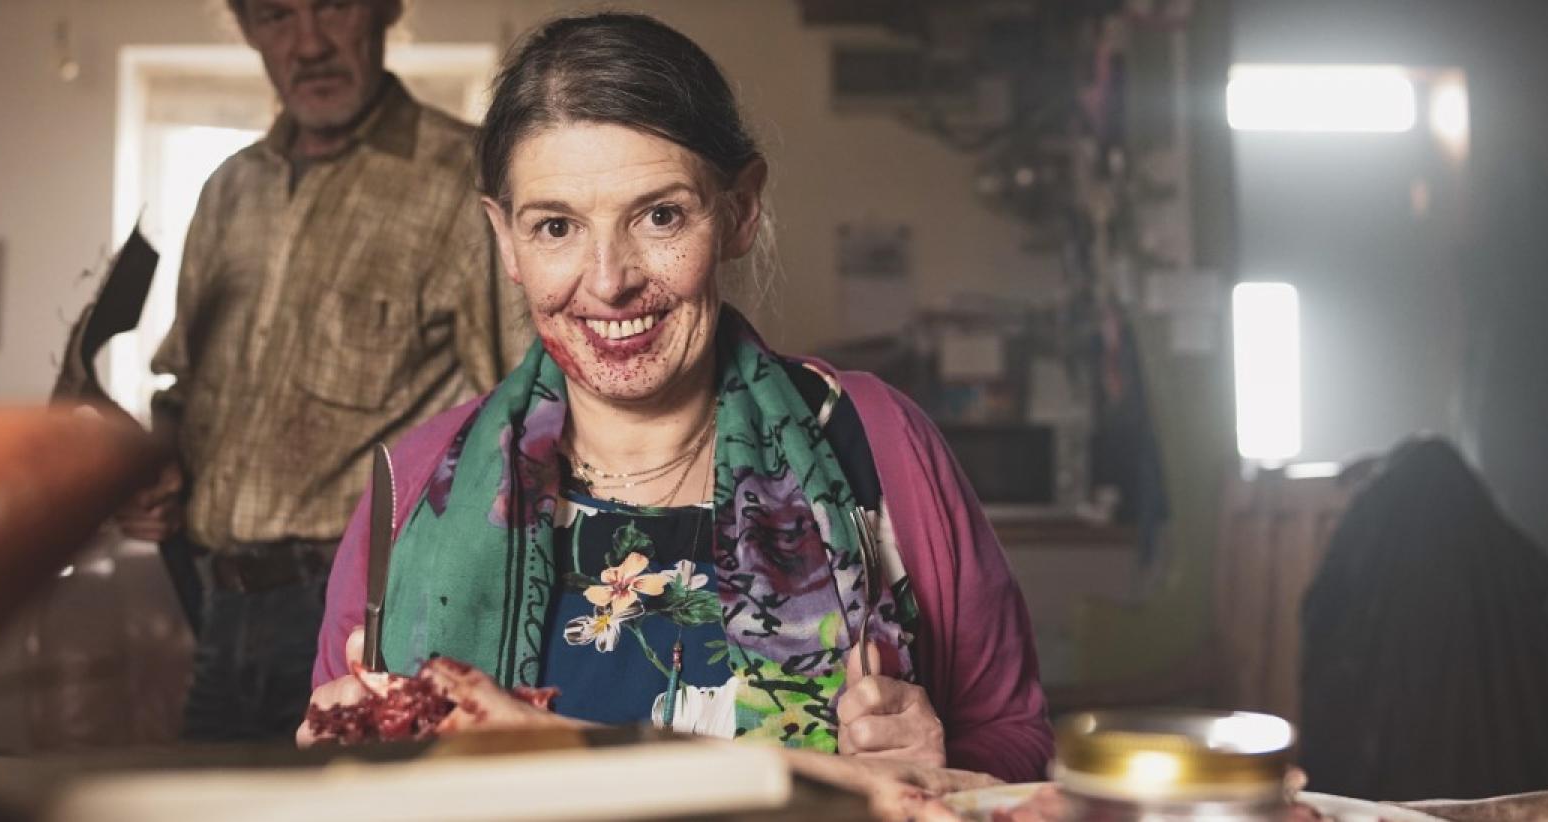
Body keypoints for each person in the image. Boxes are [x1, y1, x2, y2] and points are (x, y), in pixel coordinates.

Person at [301, 11, 1052, 788]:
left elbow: (1015, 736)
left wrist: (937, 763)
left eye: (659, 216)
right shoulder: (413, 488)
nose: (608, 280)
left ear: (738, 211)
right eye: (555, 226)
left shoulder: (876, 443)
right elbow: (351, 773)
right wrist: (345, 764)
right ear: (505, 240)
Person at [114, 0, 524, 741]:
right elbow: (182, 390)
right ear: (243, 28)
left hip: (368, 619)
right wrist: (152, 472)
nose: (307, 44)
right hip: (217, 609)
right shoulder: (226, 192)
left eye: (331, 5)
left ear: (387, 10)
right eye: (274, 14)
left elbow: (528, 418)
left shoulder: (467, 179)